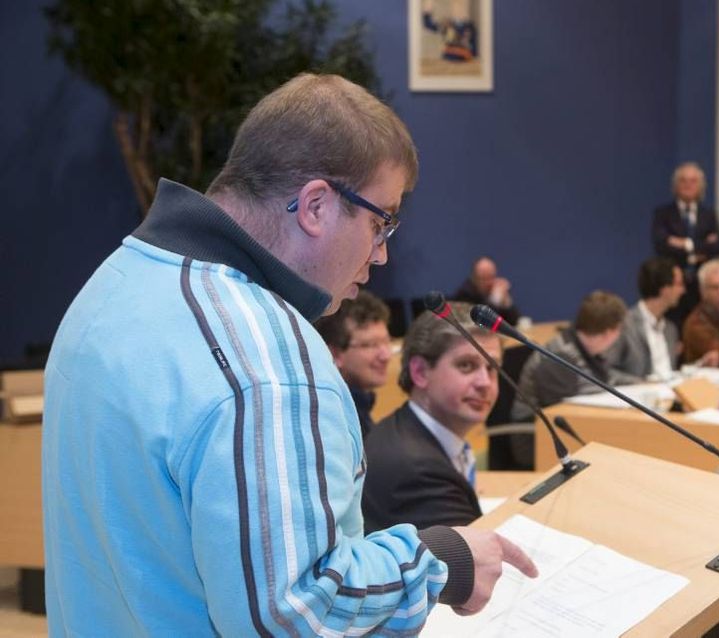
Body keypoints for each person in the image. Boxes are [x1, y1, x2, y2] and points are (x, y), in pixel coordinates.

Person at [42, 73, 535, 637]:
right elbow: (296, 612)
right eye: (382, 221)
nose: (378, 254)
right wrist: (440, 560)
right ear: (317, 206)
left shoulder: (118, 279)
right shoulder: (266, 357)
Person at [362, 303, 495, 533]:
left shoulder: (405, 427)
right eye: (466, 365)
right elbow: (476, 561)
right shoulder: (417, 471)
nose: (485, 382)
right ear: (420, 373)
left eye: (492, 368)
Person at [513, 291, 643, 420]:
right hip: (535, 433)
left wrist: (641, 383)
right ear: (609, 332)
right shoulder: (559, 359)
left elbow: (606, 378)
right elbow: (562, 414)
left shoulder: (587, 348)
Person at [651, 162, 719, 327]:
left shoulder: (708, 215)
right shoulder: (663, 214)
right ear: (675, 185)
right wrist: (700, 246)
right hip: (673, 287)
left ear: (701, 186)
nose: (688, 185)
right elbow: (661, 245)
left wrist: (683, 243)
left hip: (701, 288)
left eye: (693, 181)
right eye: (683, 181)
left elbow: (718, 247)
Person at [314, 289, 392, 438]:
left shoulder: (359, 410)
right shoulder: (335, 424)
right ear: (334, 354)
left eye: (387, 342)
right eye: (371, 344)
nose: (386, 355)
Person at [606, 257, 685, 380]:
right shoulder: (625, 324)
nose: (683, 290)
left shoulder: (670, 329)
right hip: (637, 396)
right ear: (665, 288)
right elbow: (606, 370)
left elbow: (669, 372)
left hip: (669, 395)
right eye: (679, 284)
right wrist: (639, 383)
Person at [451, 256, 521, 325]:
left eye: (491, 277)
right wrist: (494, 299)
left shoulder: (494, 290)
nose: (489, 282)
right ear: (474, 278)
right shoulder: (464, 295)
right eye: (484, 278)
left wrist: (506, 303)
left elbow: (514, 322)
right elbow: (483, 323)